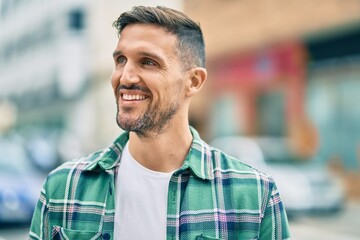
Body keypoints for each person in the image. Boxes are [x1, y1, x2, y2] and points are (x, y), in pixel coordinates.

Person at [29, 6, 291, 240]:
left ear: (194, 81)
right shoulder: (63, 187)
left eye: (148, 62)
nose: (125, 76)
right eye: (120, 60)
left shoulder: (254, 196)